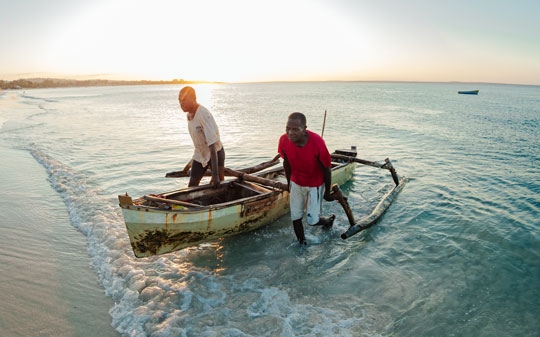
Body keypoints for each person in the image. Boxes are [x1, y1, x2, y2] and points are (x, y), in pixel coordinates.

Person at [278, 112, 335, 245]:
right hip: (296, 182)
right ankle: (302, 244)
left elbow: (327, 168)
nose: (290, 132)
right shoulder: (284, 140)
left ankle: (328, 220)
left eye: (295, 129)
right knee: (295, 217)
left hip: (315, 184)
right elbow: (286, 162)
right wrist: (289, 184)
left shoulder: (317, 142)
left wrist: (326, 192)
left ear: (304, 129)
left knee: (312, 220)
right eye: (288, 128)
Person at [178, 86, 225, 188]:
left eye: (184, 100)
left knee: (218, 185)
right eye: (179, 101)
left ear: (193, 98)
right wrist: (185, 170)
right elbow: (199, 143)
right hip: (200, 154)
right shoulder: (189, 115)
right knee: (192, 185)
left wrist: (215, 176)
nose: (181, 104)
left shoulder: (203, 114)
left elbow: (212, 145)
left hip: (215, 153)